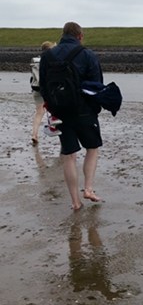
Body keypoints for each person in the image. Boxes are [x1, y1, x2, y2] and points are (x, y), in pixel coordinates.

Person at [39, 22, 104, 210]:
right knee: (92, 148)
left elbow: (44, 86)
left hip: (60, 112)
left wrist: (52, 108)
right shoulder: (87, 54)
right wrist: (94, 109)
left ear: (62, 35)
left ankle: (75, 202)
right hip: (84, 111)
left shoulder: (47, 56)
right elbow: (97, 85)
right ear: (80, 36)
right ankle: (88, 189)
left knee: (69, 155)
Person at [31, 40, 59, 144]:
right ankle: (55, 130)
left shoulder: (36, 61)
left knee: (39, 113)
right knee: (56, 112)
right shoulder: (50, 60)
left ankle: (34, 134)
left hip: (36, 89)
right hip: (47, 89)